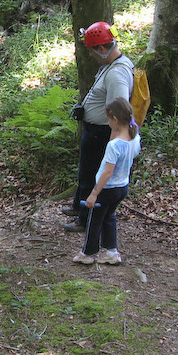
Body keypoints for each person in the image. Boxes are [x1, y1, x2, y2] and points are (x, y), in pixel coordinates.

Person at [64, 21, 135, 232]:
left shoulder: (117, 73)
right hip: (95, 131)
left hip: (103, 133)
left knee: (93, 175)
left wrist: (114, 141)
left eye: (93, 52)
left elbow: (120, 109)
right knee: (85, 173)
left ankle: (86, 220)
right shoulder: (110, 66)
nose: (91, 56)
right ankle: (79, 207)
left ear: (102, 49)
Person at [73, 97, 141, 264]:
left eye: (108, 120)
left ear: (115, 119)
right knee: (109, 216)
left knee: (94, 220)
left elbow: (107, 172)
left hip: (107, 188)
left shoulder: (114, 146)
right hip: (122, 187)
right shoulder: (134, 138)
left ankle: (87, 254)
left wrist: (94, 194)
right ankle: (111, 251)